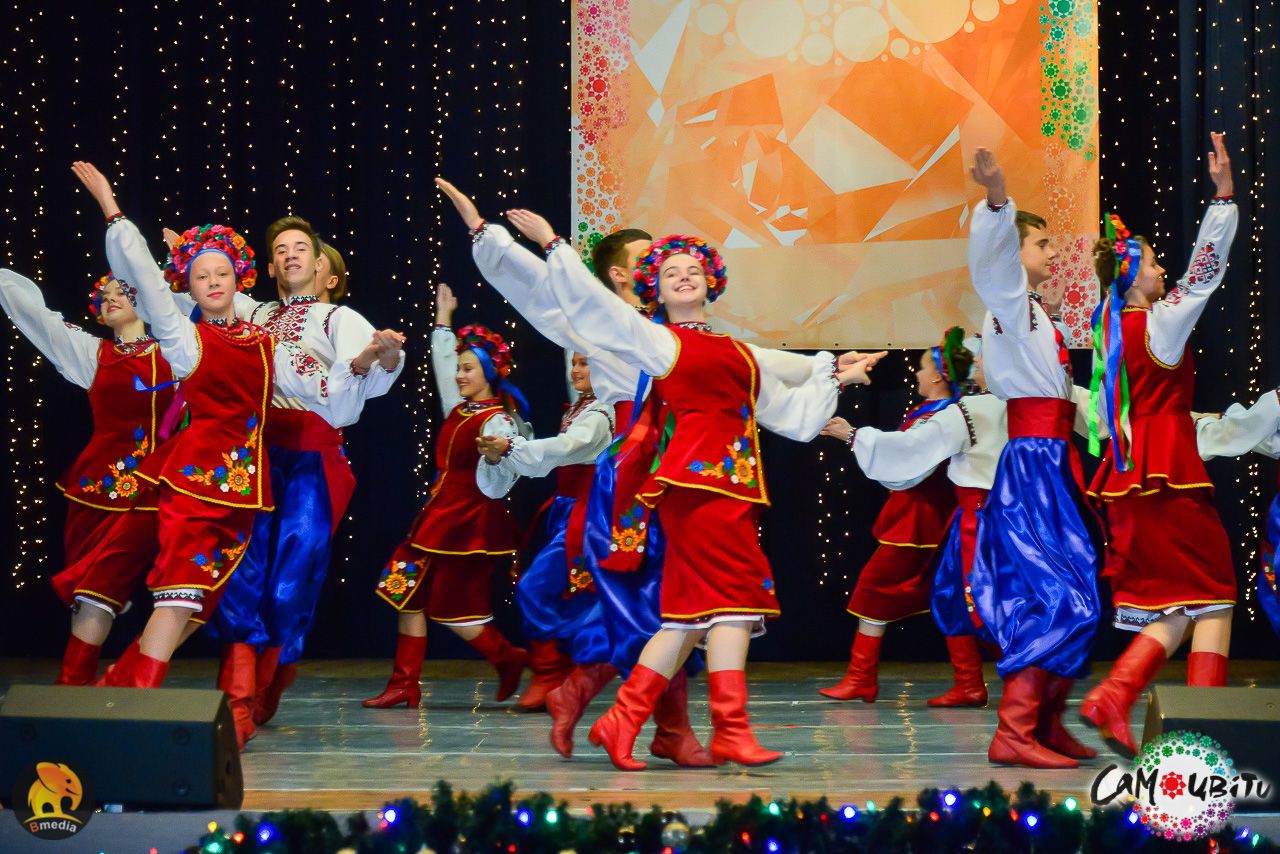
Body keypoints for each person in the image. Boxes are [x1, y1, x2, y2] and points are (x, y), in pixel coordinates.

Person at [452, 188, 883, 768]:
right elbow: (565, 299)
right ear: (635, 279)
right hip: (662, 481)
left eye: (692, 269)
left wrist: (834, 371)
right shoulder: (641, 336)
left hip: (713, 484)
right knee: (701, 607)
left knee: (683, 613)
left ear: (711, 281)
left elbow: (779, 380)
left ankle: (629, 718)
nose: (679, 274)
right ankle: (692, 724)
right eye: (664, 267)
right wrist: (521, 241)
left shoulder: (727, 349)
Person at [65, 162, 384, 695]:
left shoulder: (265, 342)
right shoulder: (185, 339)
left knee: (201, 597)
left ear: (240, 281)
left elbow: (324, 392)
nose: (213, 283)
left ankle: (127, 689)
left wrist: (363, 364)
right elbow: (146, 280)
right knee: (179, 593)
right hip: (195, 485)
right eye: (200, 277)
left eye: (221, 275)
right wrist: (112, 211)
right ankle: (132, 696)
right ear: (186, 288)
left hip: (243, 490)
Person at [191, 216, 404, 746]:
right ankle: (237, 698)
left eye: (301, 247)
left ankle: (272, 675)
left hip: (311, 458)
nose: (290, 254)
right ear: (269, 266)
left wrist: (381, 357)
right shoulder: (255, 312)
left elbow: (367, 378)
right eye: (281, 248)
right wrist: (190, 257)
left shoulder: (337, 317)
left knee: (289, 584)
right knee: (241, 574)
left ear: (321, 266)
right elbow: (205, 293)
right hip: (255, 453)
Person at [1078, 133, 1239, 757]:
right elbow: (1202, 276)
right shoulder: (1159, 323)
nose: (1161, 270)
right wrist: (1222, 200)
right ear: (1131, 275)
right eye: (1150, 263)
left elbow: (1118, 410)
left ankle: (1115, 694)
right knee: (1216, 595)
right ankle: (1204, 737)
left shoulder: (1110, 333)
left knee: (1178, 604)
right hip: (1168, 476)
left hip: (1131, 479)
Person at [965, 147, 1101, 769]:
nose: (1050, 252)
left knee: (1077, 587)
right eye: (1041, 243)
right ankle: (1016, 730)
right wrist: (998, 201)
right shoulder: (1011, 307)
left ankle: (1044, 722)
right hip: (1034, 467)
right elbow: (993, 269)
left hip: (1049, 461)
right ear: (1015, 254)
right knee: (1056, 592)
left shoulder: (1035, 317)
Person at [0, 268, 175, 685]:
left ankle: (75, 684)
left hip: (151, 493)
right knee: (88, 596)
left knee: (98, 589)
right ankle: (85, 687)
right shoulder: (91, 353)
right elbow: (35, 316)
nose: (111, 298)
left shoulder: (179, 349)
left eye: (122, 292)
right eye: (105, 294)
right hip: (94, 493)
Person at [363, 284, 530, 709]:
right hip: (437, 517)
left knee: (455, 612)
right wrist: (443, 318)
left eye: (469, 369)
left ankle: (507, 657)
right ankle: (405, 683)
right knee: (404, 590)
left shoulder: (499, 422)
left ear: (489, 373)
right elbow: (441, 364)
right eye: (460, 368)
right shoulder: (460, 408)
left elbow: (500, 484)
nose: (459, 375)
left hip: (467, 526)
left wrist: (496, 457)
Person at [816, 330, 964, 704]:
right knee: (949, 595)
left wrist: (852, 436)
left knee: (873, 590)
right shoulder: (932, 413)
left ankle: (862, 677)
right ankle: (968, 681)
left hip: (920, 522)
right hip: (927, 518)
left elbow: (909, 454)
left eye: (922, 368)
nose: (916, 374)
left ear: (937, 376)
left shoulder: (944, 416)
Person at [475, 352, 614, 710]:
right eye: (574, 363)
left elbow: (567, 448)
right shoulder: (582, 407)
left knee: (536, 587)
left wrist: (512, 447)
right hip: (566, 511)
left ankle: (552, 672)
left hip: (588, 516)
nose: (575, 370)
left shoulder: (602, 413)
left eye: (585, 363)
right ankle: (559, 673)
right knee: (556, 591)